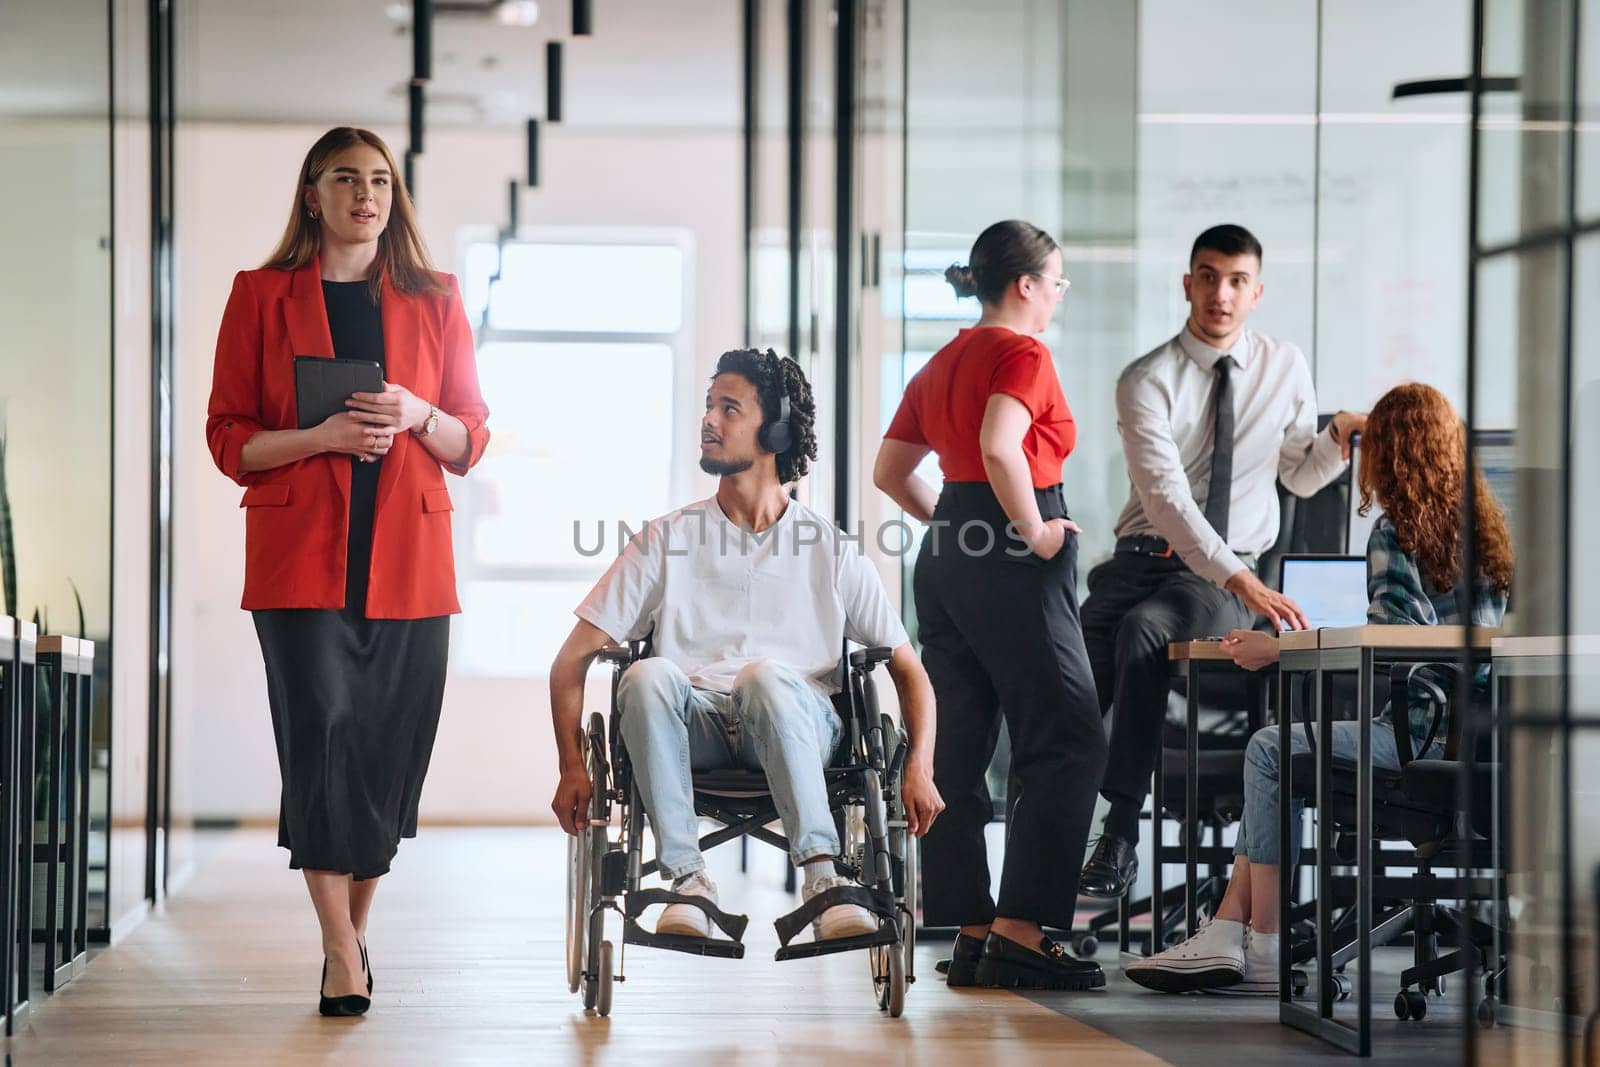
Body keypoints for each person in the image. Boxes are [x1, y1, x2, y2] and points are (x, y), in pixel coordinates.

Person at [205, 127, 489, 1016]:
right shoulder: (260, 295)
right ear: (312, 195)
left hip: (411, 559)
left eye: (379, 179)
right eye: (345, 179)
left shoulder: (436, 298)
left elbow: (471, 438)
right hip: (299, 564)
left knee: (385, 754)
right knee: (321, 735)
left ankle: (353, 931)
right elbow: (228, 437)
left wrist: (418, 409)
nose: (365, 194)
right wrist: (322, 437)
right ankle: (339, 950)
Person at [1125, 381, 1513, 994]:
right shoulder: (1488, 533)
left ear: (1389, 453)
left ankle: (1261, 942)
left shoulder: (1399, 530)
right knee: (1281, 752)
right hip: (1482, 743)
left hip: (1415, 739)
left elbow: (1395, 635)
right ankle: (1231, 932)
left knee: (1268, 749)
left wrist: (1278, 648)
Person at [549, 348, 945, 944]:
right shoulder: (667, 538)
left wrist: (919, 766)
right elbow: (570, 661)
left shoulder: (829, 548)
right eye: (709, 406)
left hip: (800, 719)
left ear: (776, 429)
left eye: (728, 408)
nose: (709, 420)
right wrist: (572, 766)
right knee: (647, 675)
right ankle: (687, 884)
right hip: (696, 725)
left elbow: (909, 671)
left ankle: (823, 879)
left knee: (763, 677)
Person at [1078, 224, 1366, 901]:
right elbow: (1168, 499)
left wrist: (1335, 435)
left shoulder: (1284, 365)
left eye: (1237, 280)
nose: (1221, 293)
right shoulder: (1147, 379)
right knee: (1070, 686)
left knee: (1147, 630)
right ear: (1187, 284)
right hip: (1138, 560)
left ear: (1257, 291)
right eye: (1208, 276)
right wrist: (1244, 581)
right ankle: (1044, 853)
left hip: (1217, 576)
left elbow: (1296, 476)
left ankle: (1119, 831)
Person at [873, 220, 1106, 991]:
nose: (1057, 298)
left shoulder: (941, 359)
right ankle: (1021, 932)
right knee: (1066, 730)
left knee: (958, 741)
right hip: (1012, 543)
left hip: (946, 552)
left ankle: (970, 928)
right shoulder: (1022, 351)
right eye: (1057, 283)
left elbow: (890, 470)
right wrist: (1032, 529)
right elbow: (1004, 444)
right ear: (1027, 284)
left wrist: (956, 521)